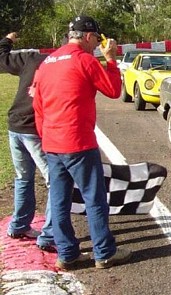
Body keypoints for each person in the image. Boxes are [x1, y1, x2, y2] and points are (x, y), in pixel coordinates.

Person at [33, 15, 132, 270]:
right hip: (78, 141)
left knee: (59, 200)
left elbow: (38, 105)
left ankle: (67, 254)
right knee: (94, 199)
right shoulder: (84, 60)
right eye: (96, 40)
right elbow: (112, 90)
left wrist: (46, 136)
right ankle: (104, 252)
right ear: (88, 36)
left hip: (52, 142)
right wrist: (110, 59)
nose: (96, 45)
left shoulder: (48, 62)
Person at [0, 32, 55, 252]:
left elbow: (1, 58)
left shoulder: (31, 58)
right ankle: (49, 235)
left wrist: (7, 40)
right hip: (34, 128)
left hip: (15, 125)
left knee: (23, 178)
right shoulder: (60, 65)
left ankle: (19, 225)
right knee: (55, 182)